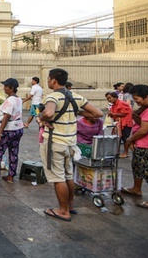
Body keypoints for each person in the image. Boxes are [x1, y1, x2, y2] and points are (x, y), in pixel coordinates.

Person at [39, 68, 102, 221]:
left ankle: (63, 211)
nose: (48, 81)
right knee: (68, 175)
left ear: (53, 80)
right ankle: (70, 206)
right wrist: (76, 112)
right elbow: (98, 113)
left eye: (48, 79)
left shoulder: (52, 96)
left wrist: (42, 118)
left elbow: (48, 113)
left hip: (55, 143)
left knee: (58, 177)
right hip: (71, 144)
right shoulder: (76, 97)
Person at [121, 84, 148, 209]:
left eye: (137, 98)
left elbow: (144, 130)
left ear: (146, 97)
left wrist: (129, 139)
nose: (135, 101)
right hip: (141, 145)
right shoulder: (144, 109)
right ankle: (136, 188)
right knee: (137, 167)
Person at [0, 78, 24, 184]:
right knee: (13, 153)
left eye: (6, 86)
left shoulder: (10, 100)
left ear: (11, 88)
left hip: (7, 130)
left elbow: (6, 116)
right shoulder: (18, 99)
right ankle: (11, 176)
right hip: (18, 128)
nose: (4, 88)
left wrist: (0, 132)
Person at [106, 91, 133, 158]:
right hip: (118, 123)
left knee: (125, 138)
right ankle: (117, 152)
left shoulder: (121, 103)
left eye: (110, 98)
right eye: (108, 99)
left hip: (125, 123)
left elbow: (124, 113)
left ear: (115, 97)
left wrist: (113, 114)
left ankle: (126, 153)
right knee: (118, 138)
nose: (109, 100)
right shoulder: (113, 105)